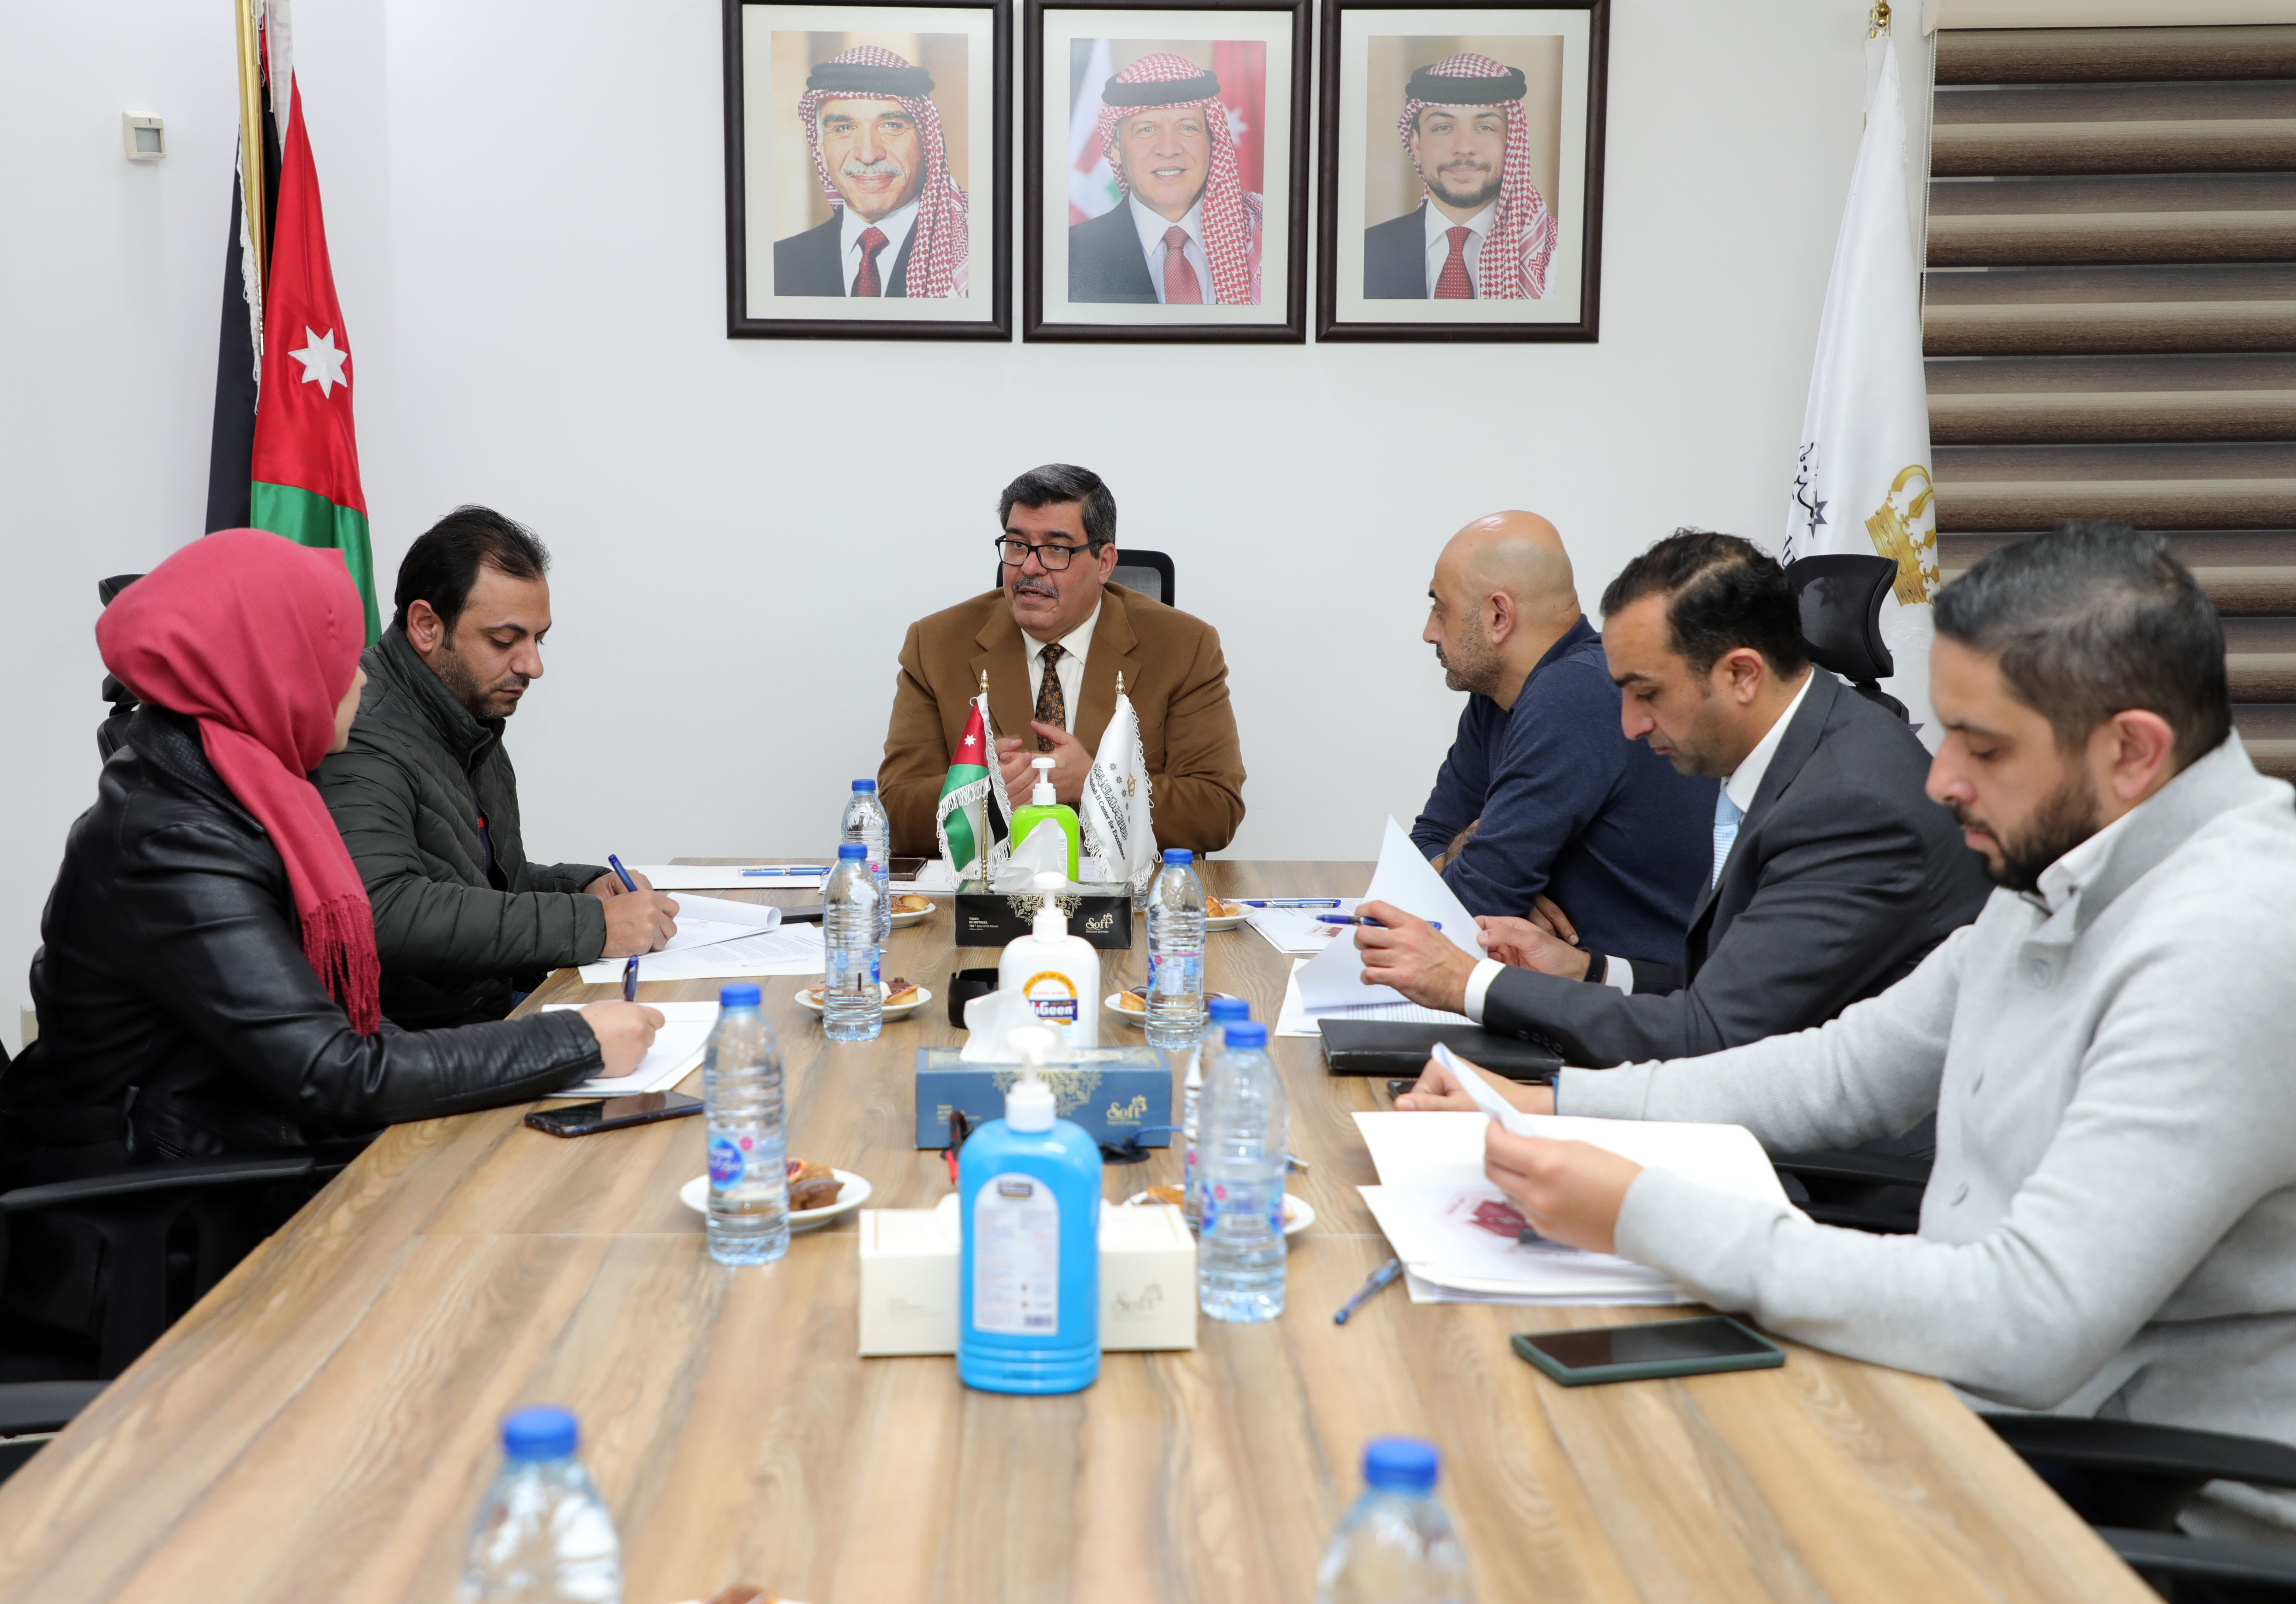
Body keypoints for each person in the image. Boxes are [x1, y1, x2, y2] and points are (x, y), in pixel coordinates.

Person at [1403, 522, 2296, 1546]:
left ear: (2129, 751)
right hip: (1978, 1413)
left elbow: (2027, 1319)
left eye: (1983, 748)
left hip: (2133, 1514)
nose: (1940, 779)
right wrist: (1553, 1106)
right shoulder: (2066, 864)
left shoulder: (2234, 940)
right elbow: (1842, 1072)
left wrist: (1642, 1210)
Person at [0, 529, 661, 1199]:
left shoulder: (247, 786)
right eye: (339, 660)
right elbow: (336, 1071)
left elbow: (346, 1023)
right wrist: (569, 1041)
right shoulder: (174, 840)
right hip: (165, 1201)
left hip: (253, 1140)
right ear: (275, 673)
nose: (363, 679)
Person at [1359, 530, 1990, 1070]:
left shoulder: (1849, 803)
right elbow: (1727, 990)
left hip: (1843, 1155)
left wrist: (1469, 983)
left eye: (1647, 694)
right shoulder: (1801, 751)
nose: (1630, 725)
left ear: (1740, 675)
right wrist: (1588, 970)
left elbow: (1711, 1037)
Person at [318, 507, 680, 1029]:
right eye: (505, 641)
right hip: (423, 1041)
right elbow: (383, 910)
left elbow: (478, 884)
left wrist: (583, 888)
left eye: (539, 639)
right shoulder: (360, 729)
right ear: (426, 626)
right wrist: (592, 925)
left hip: (488, 1012)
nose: (533, 665)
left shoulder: (468, 712)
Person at [877, 463, 1245, 857]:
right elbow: (896, 814)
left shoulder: (1185, 647)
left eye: (1056, 549)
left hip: (1124, 891)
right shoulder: (936, 646)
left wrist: (1096, 785)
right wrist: (980, 796)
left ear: (1105, 563)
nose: (1029, 567)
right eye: (1017, 544)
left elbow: (1216, 810)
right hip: (993, 889)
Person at [1409, 512, 1711, 970]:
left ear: (1498, 616)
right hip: (1559, 984)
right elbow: (1428, 844)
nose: (1430, 631)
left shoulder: (1575, 692)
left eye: (1441, 608)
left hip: (1648, 998)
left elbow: (1466, 906)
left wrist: (1485, 882)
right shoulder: (1498, 694)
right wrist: (1488, 881)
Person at [772, 45, 969, 299]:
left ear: (928, 142)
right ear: (821, 148)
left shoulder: (975, 256)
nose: (868, 154)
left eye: (892, 126)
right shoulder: (778, 265)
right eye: (844, 128)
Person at [1069, 53, 1262, 306]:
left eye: (1188, 128)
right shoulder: (1070, 254)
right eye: (1147, 129)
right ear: (1115, 147)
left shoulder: (1265, 235)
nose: (1169, 149)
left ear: (1212, 140)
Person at [1364, 54, 1557, 301]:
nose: (1464, 148)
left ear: (1511, 143)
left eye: (1485, 128)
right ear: (1416, 145)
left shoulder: (1555, 259)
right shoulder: (1363, 253)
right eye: (1443, 128)